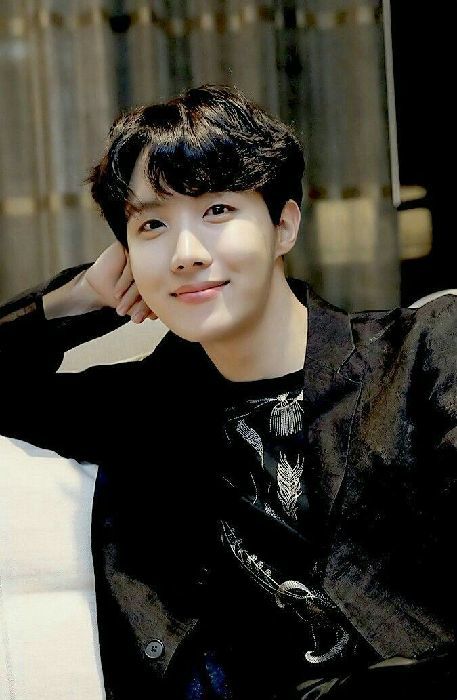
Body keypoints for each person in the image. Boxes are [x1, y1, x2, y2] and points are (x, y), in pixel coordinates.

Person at [0, 84, 456, 700]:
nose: (186, 254)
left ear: (283, 225)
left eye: (217, 210)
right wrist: (75, 298)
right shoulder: (141, 411)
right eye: (153, 225)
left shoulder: (422, 354)